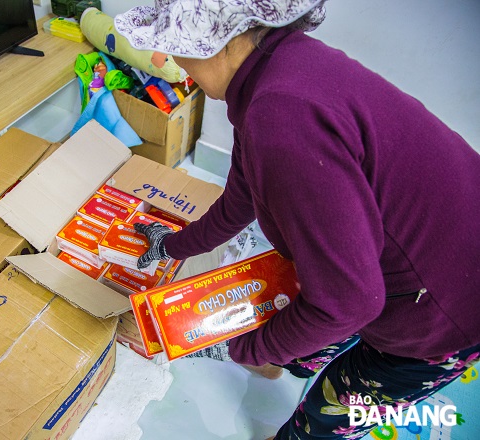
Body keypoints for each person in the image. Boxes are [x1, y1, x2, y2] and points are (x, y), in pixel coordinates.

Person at [114, 0, 480, 438]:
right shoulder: (280, 66)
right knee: (298, 306)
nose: (172, 58)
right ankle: (286, 361)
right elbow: (242, 194)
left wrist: (245, 348)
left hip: (446, 307)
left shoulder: (281, 117)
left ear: (215, 39)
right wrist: (174, 244)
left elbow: (349, 303)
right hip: (414, 252)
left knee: (327, 416)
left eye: (175, 44)